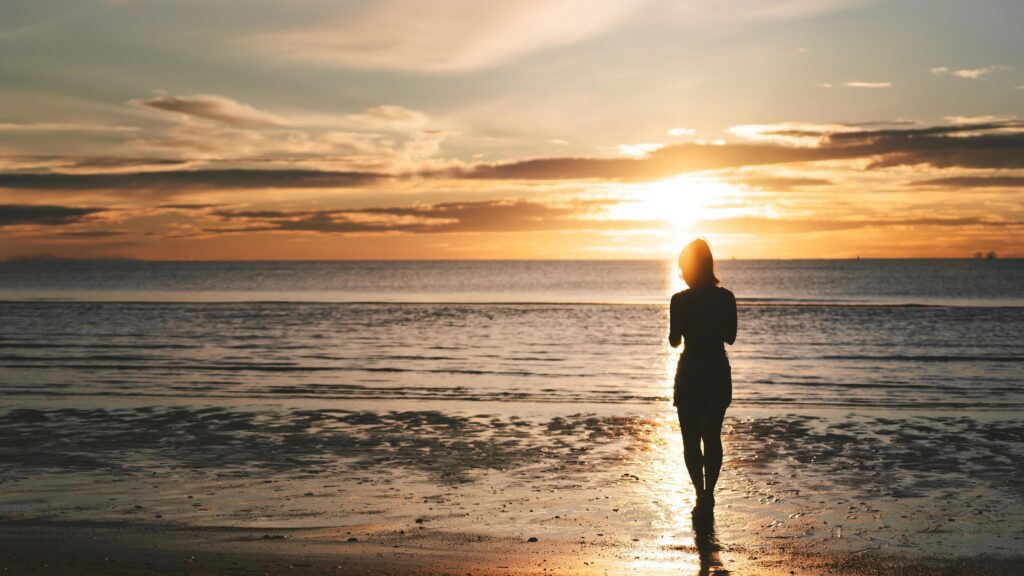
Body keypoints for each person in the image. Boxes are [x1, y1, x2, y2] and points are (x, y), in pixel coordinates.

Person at [668, 238, 737, 514]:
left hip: (690, 372)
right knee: (712, 436)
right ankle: (710, 493)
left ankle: (700, 494)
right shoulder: (726, 298)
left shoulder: (679, 300)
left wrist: (686, 324)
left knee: (690, 439)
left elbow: (674, 341)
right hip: (717, 371)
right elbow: (730, 338)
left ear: (688, 268)